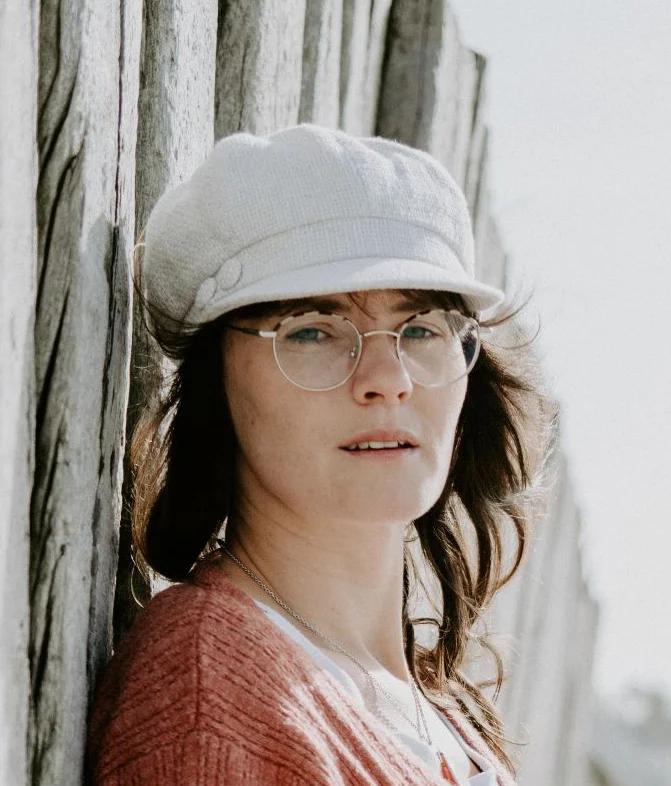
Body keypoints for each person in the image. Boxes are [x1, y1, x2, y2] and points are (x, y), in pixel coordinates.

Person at [87, 125, 552, 785]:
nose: (387, 376)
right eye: (312, 331)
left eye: (420, 328)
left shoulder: (428, 707)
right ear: (216, 382)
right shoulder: (211, 693)